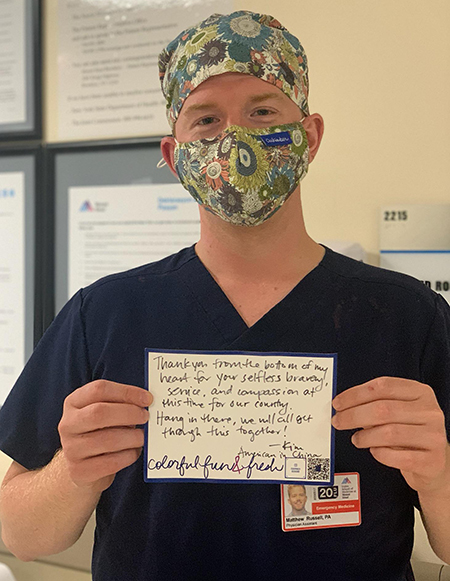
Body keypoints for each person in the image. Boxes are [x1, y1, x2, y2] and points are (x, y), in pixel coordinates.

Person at [0, 10, 449, 581]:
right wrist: (74, 471)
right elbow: (22, 535)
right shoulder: (105, 315)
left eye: (263, 111)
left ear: (308, 136)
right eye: (206, 120)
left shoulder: (409, 317)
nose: (235, 138)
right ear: (174, 156)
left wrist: (439, 476)